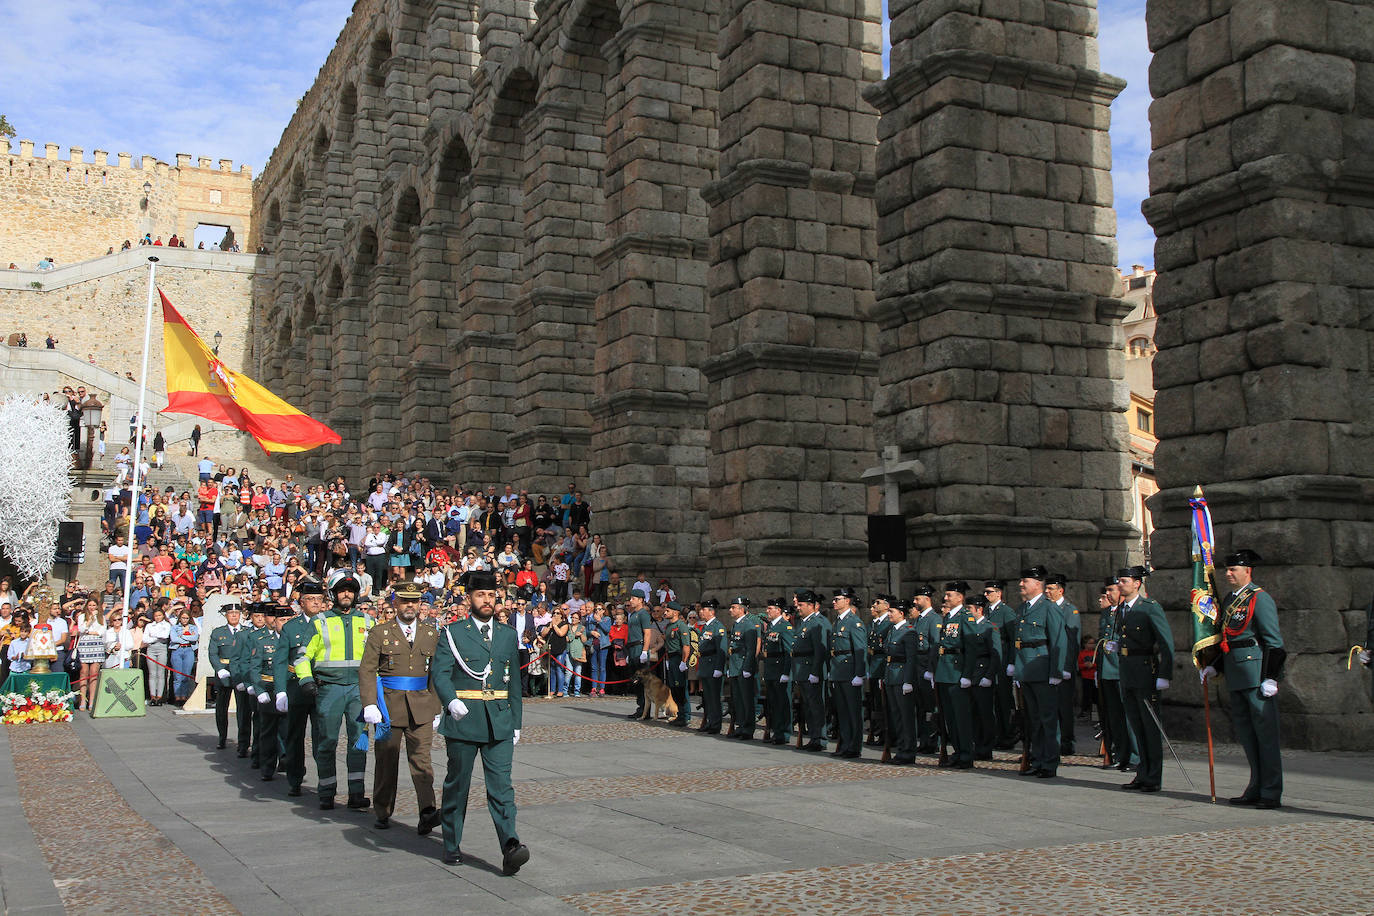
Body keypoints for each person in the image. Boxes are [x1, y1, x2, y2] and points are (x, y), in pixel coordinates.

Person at [430, 569, 529, 873]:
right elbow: (440, 672)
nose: (487, 601)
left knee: (501, 787)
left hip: (499, 720)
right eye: (480, 595)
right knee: (457, 785)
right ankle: (451, 842)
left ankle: (510, 844)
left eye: (490, 595)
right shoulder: (453, 632)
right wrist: (450, 700)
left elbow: (513, 684)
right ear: (468, 598)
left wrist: (516, 722)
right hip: (464, 718)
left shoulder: (507, 634)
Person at [1200, 550, 1285, 808]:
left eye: (1233, 569)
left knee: (1265, 737)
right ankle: (1255, 785)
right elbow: (1228, 640)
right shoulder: (1228, 600)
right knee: (1248, 736)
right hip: (1236, 675)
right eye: (1227, 569)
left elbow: (1274, 643)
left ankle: (1271, 791)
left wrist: (1270, 677)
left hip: (1255, 674)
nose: (1227, 574)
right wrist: (1215, 666)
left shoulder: (1260, 599)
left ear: (1247, 571)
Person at [359, 579, 442, 832]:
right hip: (388, 706)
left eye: (414, 601)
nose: (410, 606)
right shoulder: (380, 632)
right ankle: (383, 810)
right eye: (405, 601)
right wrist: (370, 704)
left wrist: (437, 708)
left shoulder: (431, 633)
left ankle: (427, 812)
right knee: (386, 760)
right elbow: (367, 670)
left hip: (421, 706)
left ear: (421, 604)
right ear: (395, 603)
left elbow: (437, 674)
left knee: (422, 762)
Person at [296, 570, 371, 810]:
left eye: (350, 590)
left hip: (359, 690)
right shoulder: (320, 621)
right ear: (333, 594)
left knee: (358, 742)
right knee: (327, 742)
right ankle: (326, 791)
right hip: (329, 689)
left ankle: (356, 793)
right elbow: (302, 656)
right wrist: (305, 680)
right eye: (341, 590)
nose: (346, 594)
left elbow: (378, 658)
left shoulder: (369, 621)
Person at [1117, 565, 1172, 793]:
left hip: (1145, 671)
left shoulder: (1150, 608)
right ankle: (1142, 772)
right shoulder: (1122, 609)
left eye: (1124, 581)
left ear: (1137, 583)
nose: (1120, 584)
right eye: (1119, 581)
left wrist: (1164, 674)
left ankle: (1153, 777)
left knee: (1150, 727)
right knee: (1137, 725)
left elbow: (1166, 643)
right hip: (1127, 672)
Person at [1010, 566, 1068, 779]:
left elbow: (1058, 640)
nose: (1021, 584)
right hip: (1026, 670)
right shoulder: (1022, 608)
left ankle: (1049, 762)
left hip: (1043, 670)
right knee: (1033, 719)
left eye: (1025, 581)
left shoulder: (1048, 607)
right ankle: (1037, 758)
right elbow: (1019, 642)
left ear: (1037, 584)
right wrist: (1016, 669)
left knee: (1047, 718)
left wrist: (1056, 671)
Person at [277, 578, 327, 794]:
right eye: (311, 599)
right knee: (295, 735)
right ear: (302, 602)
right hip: (296, 686)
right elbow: (280, 660)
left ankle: (325, 779)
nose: (316, 603)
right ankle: (295, 778)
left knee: (322, 735)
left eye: (319, 599)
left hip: (321, 685)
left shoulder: (328, 623)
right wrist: (280, 691)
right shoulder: (291, 627)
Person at [930, 582, 979, 769]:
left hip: (957, 672)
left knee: (961, 717)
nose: (946, 598)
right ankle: (957, 752)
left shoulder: (965, 617)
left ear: (960, 597)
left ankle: (966, 754)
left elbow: (972, 647)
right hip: (945, 671)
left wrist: (967, 674)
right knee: (950, 717)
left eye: (949, 595)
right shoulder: (948, 617)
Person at [248, 604, 288, 780]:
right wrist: (258, 689)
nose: (284, 623)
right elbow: (254, 668)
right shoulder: (262, 640)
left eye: (288, 620)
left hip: (288, 688)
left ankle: (287, 760)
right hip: (269, 688)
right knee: (268, 731)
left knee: (288, 729)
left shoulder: (294, 639)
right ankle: (267, 766)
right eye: (280, 620)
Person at [827, 587, 866, 758]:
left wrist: (859, 673)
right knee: (842, 711)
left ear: (847, 601)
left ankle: (854, 746)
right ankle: (844, 744)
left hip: (850, 671)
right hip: (838, 670)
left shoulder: (854, 622)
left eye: (837, 599)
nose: (834, 602)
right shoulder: (838, 622)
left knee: (852, 711)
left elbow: (860, 649)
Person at [1045, 573, 1081, 756]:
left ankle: (1067, 742)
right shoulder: (1047, 608)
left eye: (1051, 589)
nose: (1047, 592)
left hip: (1063, 667)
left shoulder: (1069, 610)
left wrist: (1067, 667)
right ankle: (1054, 741)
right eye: (1046, 588)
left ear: (1060, 590)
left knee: (1064, 707)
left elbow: (1071, 641)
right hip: (1050, 666)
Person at [791, 590, 829, 750]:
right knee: (808, 705)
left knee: (816, 705)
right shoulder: (803, 622)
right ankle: (813, 737)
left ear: (811, 606)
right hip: (802, 670)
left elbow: (820, 650)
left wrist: (815, 671)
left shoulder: (818, 622)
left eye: (801, 605)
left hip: (812, 670)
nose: (798, 608)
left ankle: (820, 739)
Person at [882, 598, 918, 763]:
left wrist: (908, 681)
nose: (889, 614)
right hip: (891, 677)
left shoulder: (908, 631)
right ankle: (901, 748)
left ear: (901, 613)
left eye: (892, 612)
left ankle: (908, 751)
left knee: (906, 716)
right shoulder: (892, 630)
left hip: (902, 677)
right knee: (896, 715)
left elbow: (911, 658)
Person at [208, 604, 247, 749]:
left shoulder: (246, 631)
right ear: (226, 615)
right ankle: (222, 737)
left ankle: (242, 743)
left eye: (237, 613)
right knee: (221, 708)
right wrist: (219, 669)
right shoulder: (218, 633)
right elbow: (213, 653)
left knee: (243, 709)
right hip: (224, 672)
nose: (234, 616)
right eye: (231, 613)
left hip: (240, 673)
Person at [759, 598, 792, 744]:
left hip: (780, 669)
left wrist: (786, 672)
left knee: (782, 703)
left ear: (778, 610)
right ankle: (776, 731)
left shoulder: (785, 626)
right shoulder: (771, 626)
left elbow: (788, 651)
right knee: (773, 703)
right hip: (771, 669)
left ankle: (783, 733)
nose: (767, 611)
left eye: (770, 608)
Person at [725, 596, 759, 738]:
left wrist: (747, 667)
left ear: (741, 609)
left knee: (746, 699)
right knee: (737, 699)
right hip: (735, 665)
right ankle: (740, 725)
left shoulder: (748, 625)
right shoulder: (736, 624)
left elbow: (751, 649)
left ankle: (748, 728)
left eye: (733, 607)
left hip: (743, 666)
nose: (730, 610)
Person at [695, 599, 727, 734]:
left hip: (713, 663)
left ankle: (715, 724)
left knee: (714, 697)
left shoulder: (718, 627)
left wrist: (719, 668)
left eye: (704, 609)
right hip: (705, 664)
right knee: (707, 697)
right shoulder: (707, 626)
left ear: (711, 612)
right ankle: (709, 721)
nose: (701, 611)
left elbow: (721, 649)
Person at [661, 602, 693, 726]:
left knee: (681, 688)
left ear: (675, 612)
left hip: (679, 658)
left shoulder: (681, 626)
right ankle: (679, 714)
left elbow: (686, 645)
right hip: (672, 658)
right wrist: (668, 660)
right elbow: (668, 646)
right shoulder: (669, 626)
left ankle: (686, 716)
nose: (665, 612)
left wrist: (684, 662)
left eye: (667, 610)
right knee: (674, 688)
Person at [623, 593, 653, 718]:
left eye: (633, 599)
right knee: (636, 682)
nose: (631, 601)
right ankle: (640, 707)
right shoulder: (633, 614)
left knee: (643, 682)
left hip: (640, 648)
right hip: (633, 649)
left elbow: (647, 634)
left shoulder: (643, 614)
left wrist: (645, 651)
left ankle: (645, 710)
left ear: (640, 600)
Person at [142, 607, 172, 705]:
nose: (158, 617)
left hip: (162, 648)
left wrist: (153, 636)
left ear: (163, 615)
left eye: (159, 615)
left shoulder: (166, 625)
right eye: (156, 616)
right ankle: (152, 696)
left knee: (160, 673)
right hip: (151, 648)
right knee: (152, 673)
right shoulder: (149, 625)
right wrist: (156, 637)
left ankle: (159, 697)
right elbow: (145, 639)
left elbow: (165, 635)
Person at [169, 609, 199, 703]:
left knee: (186, 675)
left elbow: (194, 638)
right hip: (177, 650)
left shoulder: (193, 627)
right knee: (178, 676)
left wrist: (181, 636)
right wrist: (188, 637)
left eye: (186, 618)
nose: (185, 620)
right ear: (180, 618)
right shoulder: (174, 627)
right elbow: (174, 639)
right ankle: (178, 696)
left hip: (189, 650)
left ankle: (184, 696)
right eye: (183, 618)